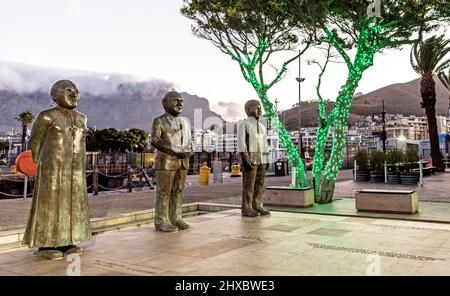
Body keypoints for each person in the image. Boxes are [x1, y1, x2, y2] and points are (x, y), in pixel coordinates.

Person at [23, 80, 91, 260]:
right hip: (52, 170)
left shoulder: (82, 118)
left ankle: (68, 241)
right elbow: (35, 142)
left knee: (74, 204)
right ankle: (45, 244)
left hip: (75, 170)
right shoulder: (46, 116)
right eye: (68, 90)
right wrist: (43, 166)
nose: (74, 93)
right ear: (54, 96)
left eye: (76, 90)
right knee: (50, 205)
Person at [151, 91, 194, 232]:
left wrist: (191, 149)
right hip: (166, 162)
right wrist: (174, 150)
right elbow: (155, 140)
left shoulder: (185, 122)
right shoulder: (159, 121)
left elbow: (189, 141)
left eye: (181, 101)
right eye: (176, 100)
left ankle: (176, 218)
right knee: (164, 192)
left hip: (183, 162)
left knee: (178, 191)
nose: (180, 103)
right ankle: (161, 220)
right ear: (165, 104)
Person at [238, 100, 271, 217]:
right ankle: (246, 208)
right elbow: (242, 144)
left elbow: (265, 143)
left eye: (260, 107)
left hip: (261, 159)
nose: (260, 110)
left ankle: (257, 205)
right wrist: (244, 158)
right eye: (257, 108)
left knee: (260, 185)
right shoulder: (243, 124)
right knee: (248, 186)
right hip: (250, 160)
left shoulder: (262, 126)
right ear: (248, 110)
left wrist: (267, 158)